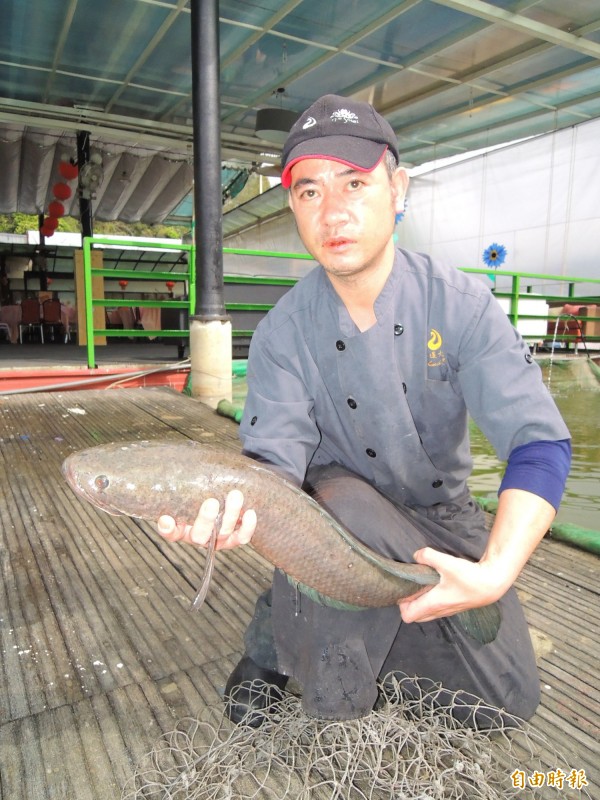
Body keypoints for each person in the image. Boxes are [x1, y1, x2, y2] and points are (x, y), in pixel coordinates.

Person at [158, 94, 571, 727]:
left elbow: (539, 445)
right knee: (342, 506)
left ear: (398, 189)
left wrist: (493, 573)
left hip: (441, 519)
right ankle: (279, 647)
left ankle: (321, 610)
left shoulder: (462, 304)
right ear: (293, 206)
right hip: (327, 521)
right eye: (309, 192)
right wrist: (224, 510)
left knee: (502, 706)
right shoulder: (280, 332)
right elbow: (271, 469)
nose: (334, 212)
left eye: (355, 182)